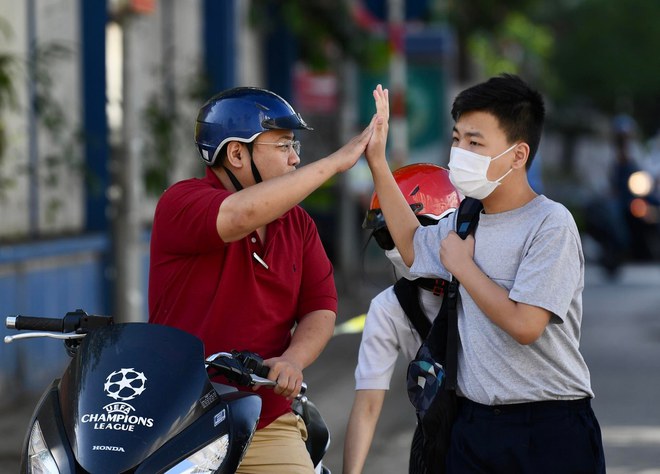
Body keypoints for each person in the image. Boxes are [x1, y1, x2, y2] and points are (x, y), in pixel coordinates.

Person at [365, 75, 606, 473]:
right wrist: (377, 161)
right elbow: (412, 247)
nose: (459, 152)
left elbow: (526, 324)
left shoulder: (550, 224)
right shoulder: (466, 218)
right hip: (474, 425)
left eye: (475, 143)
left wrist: (463, 267)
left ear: (517, 154)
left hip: (549, 427)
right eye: (457, 139)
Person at [148, 86, 376, 473]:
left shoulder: (298, 224)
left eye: (296, 147)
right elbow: (237, 216)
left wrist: (292, 360)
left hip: (265, 421)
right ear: (237, 153)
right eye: (284, 145)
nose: (294, 158)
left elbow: (321, 306)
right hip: (178, 421)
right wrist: (336, 163)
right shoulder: (182, 201)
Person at [342, 164, 460, 474]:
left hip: (499, 436)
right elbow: (367, 406)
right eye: (385, 235)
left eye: (409, 228)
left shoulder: (481, 287)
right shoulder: (389, 307)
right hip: (435, 445)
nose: (400, 245)